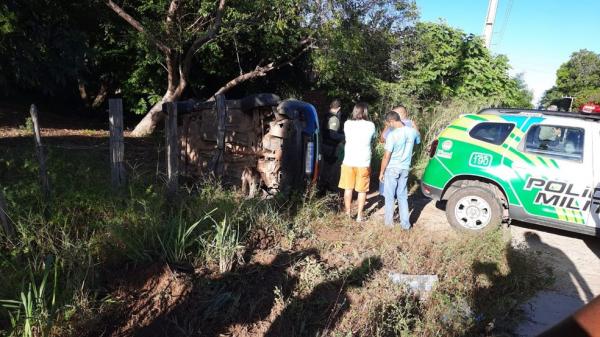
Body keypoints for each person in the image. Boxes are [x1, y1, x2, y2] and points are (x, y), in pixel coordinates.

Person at [379, 110, 421, 229]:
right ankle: (405, 225)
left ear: (392, 121)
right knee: (402, 196)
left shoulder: (393, 135)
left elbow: (387, 156)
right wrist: (416, 127)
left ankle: (389, 224)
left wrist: (382, 172)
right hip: (405, 168)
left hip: (392, 168)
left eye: (389, 123)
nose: (389, 126)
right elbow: (418, 140)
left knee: (389, 196)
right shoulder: (412, 132)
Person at [338, 102, 375, 222]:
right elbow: (372, 140)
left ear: (354, 111)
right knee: (362, 190)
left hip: (348, 160)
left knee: (348, 189)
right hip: (364, 162)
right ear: (365, 112)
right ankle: (359, 216)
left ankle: (348, 214)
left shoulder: (347, 124)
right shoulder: (371, 125)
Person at [319, 99, 345, 191]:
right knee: (329, 168)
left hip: (324, 145)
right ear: (339, 108)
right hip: (330, 148)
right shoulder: (334, 118)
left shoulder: (326, 116)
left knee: (324, 168)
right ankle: (326, 188)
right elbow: (332, 134)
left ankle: (322, 187)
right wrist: (344, 136)